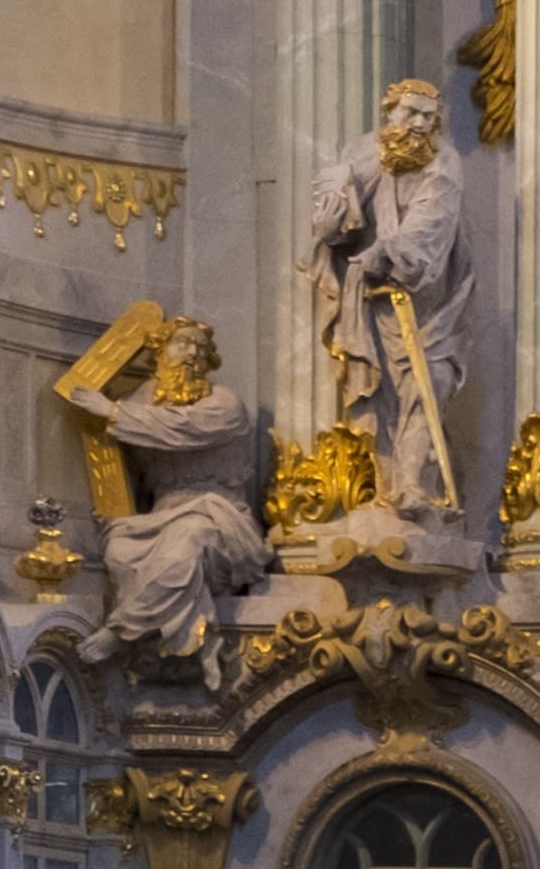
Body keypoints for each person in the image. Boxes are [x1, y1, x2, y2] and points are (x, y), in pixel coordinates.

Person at [306, 79, 476, 515]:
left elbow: (431, 224)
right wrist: (331, 218)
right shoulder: (362, 153)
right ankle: (389, 490)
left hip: (434, 296)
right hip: (375, 297)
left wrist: (389, 253)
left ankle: (416, 482)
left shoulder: (444, 161)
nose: (418, 124)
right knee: (379, 389)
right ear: (390, 113)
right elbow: (336, 212)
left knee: (428, 383)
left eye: (427, 116)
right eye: (410, 113)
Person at [67, 318, 268, 680]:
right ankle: (155, 641)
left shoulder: (224, 404)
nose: (192, 354)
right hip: (160, 514)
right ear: (159, 354)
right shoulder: (140, 402)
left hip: (217, 513)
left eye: (200, 348)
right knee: (119, 549)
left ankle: (120, 630)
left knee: (185, 544)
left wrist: (112, 412)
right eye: (182, 344)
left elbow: (182, 428)